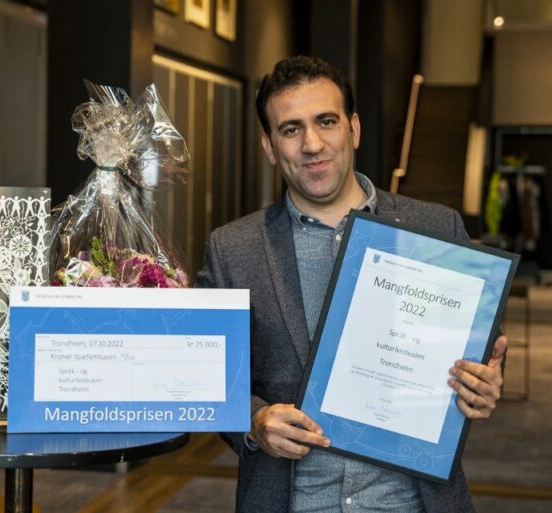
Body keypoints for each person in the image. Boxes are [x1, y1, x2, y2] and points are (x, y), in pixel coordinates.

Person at [196, 55, 506, 513]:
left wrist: (485, 381)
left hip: (413, 503)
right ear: (269, 146)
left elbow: (478, 351)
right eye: (291, 129)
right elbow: (208, 375)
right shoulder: (234, 249)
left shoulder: (437, 229)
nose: (312, 144)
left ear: (354, 129)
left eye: (327, 121)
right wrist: (255, 419)